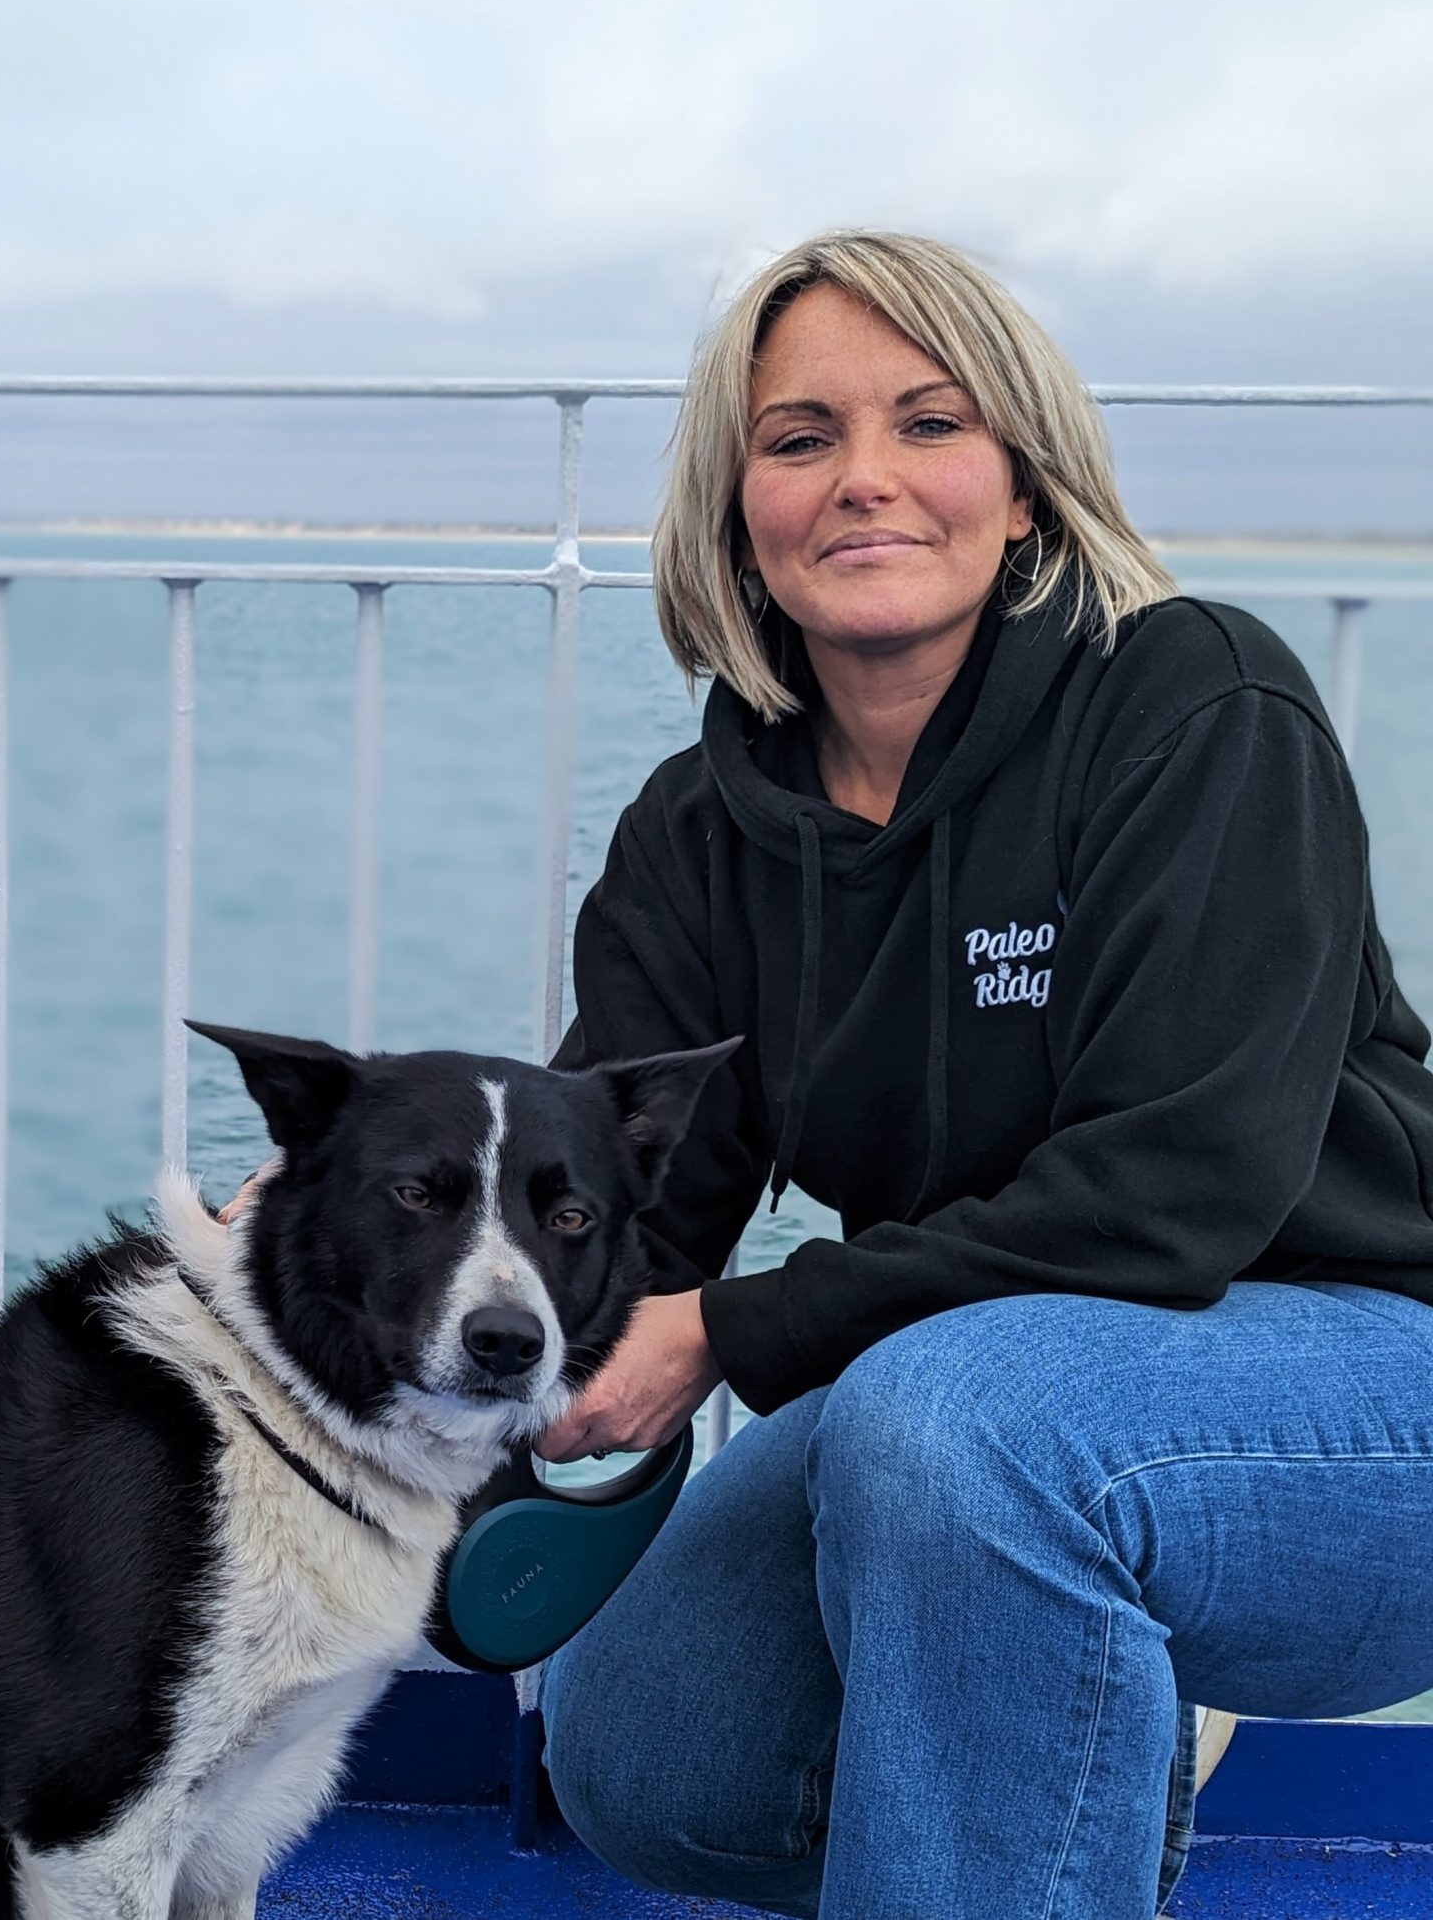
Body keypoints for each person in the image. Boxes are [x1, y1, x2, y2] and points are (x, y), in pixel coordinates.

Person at [524, 229, 1433, 1919]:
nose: (866, 480)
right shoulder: (697, 836)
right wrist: (363, 1265)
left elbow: (1169, 1204)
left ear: (1023, 485)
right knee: (644, 1755)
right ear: (740, 511)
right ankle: (1080, 1688)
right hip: (978, 1404)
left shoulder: (1200, 706)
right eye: (799, 441)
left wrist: (725, 1338)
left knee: (963, 1423)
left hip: (1372, 1384)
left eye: (931, 425)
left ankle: (1084, 1655)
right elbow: (619, 1221)